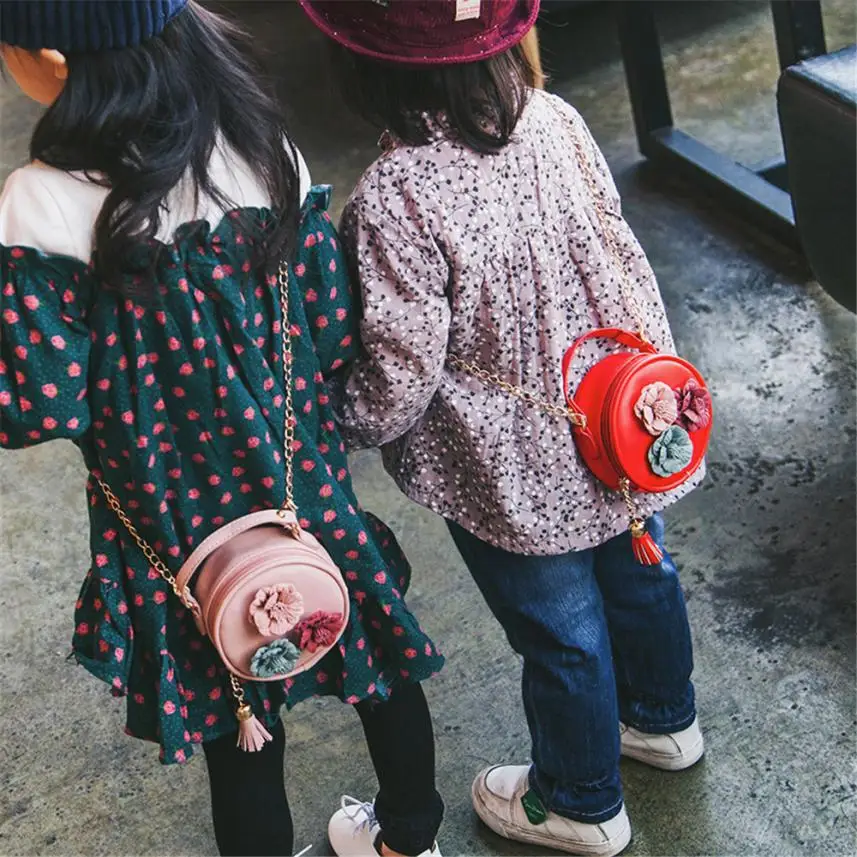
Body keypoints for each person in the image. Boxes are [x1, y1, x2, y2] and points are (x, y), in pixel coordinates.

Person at [0, 2, 445, 855]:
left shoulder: (37, 200)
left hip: (171, 521)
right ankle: (409, 837)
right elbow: (329, 327)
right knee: (374, 651)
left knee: (238, 719)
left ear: (53, 60)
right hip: (300, 486)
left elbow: (41, 404)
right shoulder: (264, 149)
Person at [298, 1, 706, 855]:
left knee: (561, 629)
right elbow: (616, 253)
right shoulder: (555, 119)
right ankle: (663, 720)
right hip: (616, 412)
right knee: (641, 572)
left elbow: (401, 368)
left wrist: (335, 421)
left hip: (510, 464)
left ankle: (581, 800)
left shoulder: (395, 194)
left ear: (367, 70)